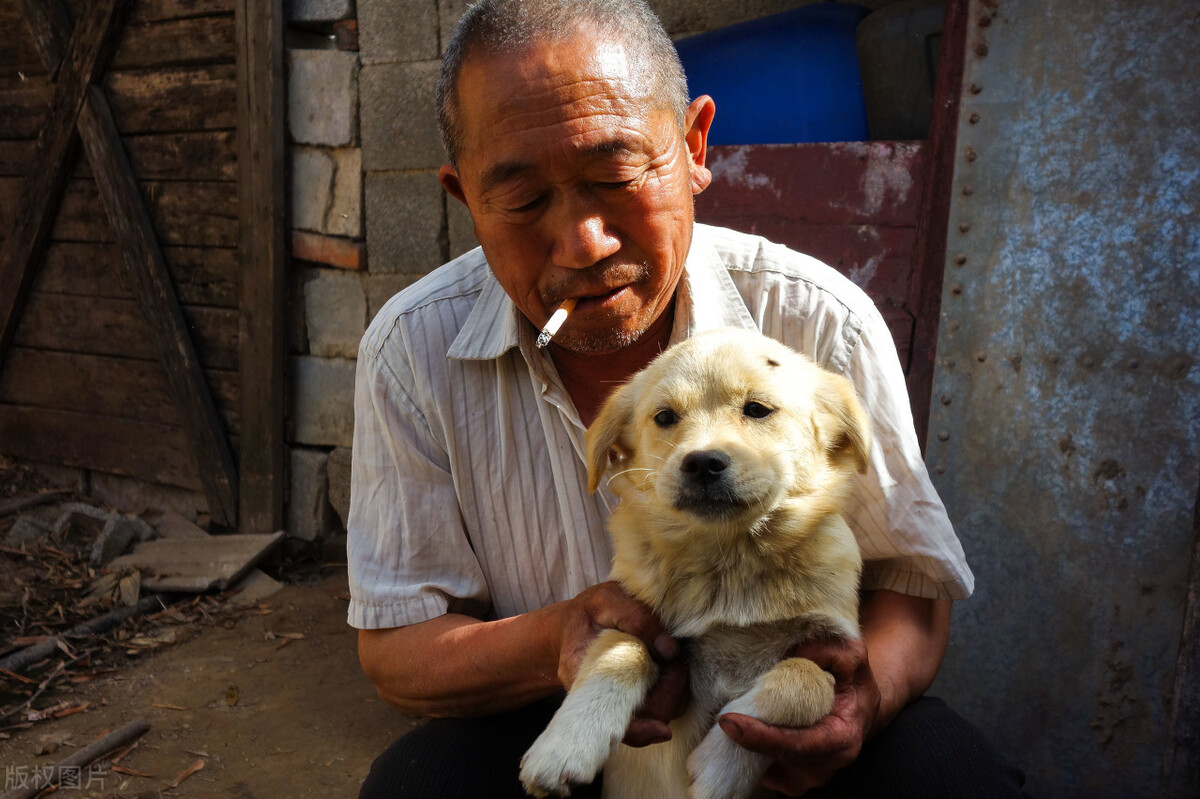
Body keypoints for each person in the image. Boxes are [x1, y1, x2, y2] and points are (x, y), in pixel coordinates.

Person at [348, 1, 1025, 796]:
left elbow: (910, 591)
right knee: (417, 784)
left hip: (778, 734)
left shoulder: (818, 324)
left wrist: (856, 704)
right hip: (584, 720)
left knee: (948, 775)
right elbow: (399, 649)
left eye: (616, 175)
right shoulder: (413, 348)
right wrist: (560, 642)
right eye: (526, 200)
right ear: (464, 197)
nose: (583, 243)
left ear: (695, 146)